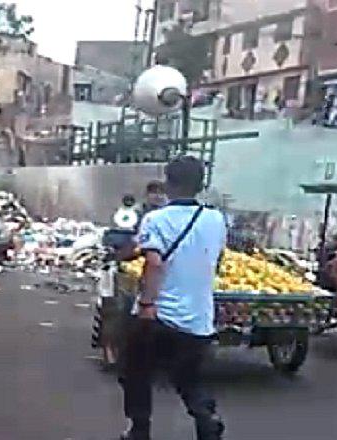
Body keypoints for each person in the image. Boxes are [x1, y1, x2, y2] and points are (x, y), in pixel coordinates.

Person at [119, 156, 227, 440]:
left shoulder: (156, 219)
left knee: (135, 372)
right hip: (199, 318)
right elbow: (216, 261)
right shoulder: (216, 219)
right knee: (189, 378)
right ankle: (207, 418)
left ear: (168, 184)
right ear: (201, 184)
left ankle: (139, 430)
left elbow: (154, 263)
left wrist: (146, 304)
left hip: (160, 317)